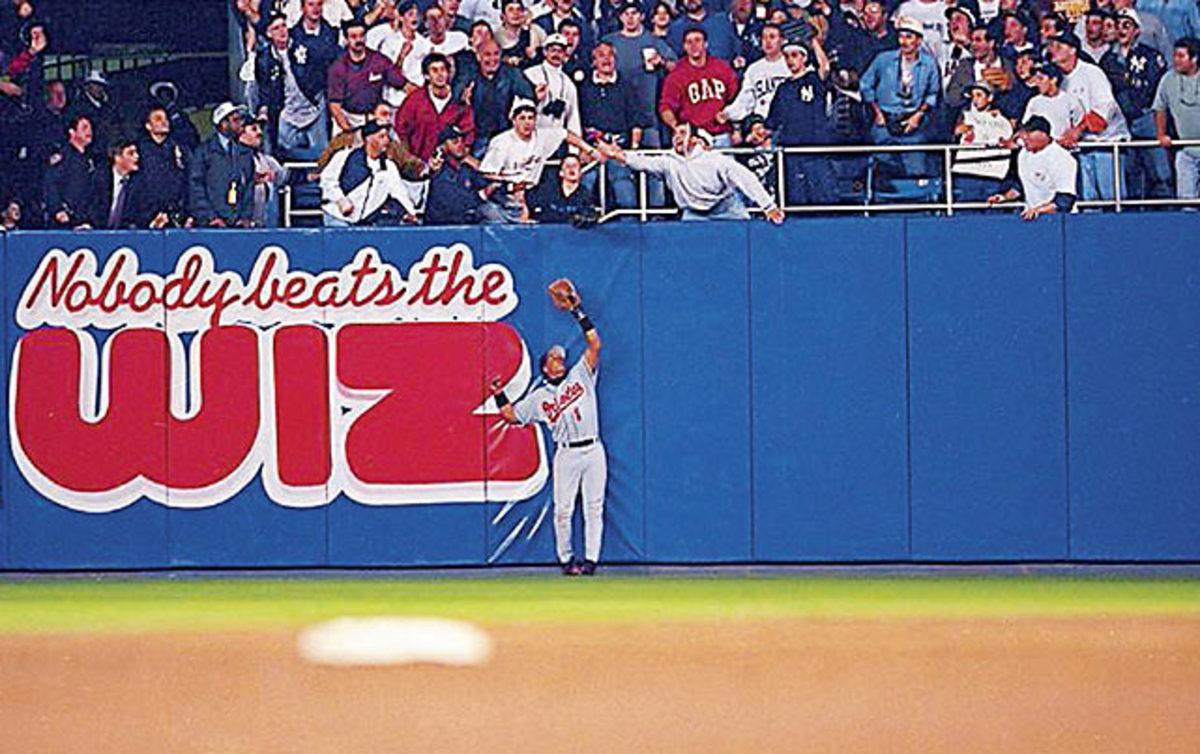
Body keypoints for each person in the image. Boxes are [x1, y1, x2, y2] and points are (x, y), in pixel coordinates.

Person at [492, 280, 606, 576]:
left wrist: (578, 312)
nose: (559, 359)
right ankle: (566, 560)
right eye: (554, 358)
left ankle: (591, 561)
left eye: (560, 356)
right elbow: (509, 415)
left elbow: (595, 344)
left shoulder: (580, 374)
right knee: (563, 510)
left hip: (593, 448)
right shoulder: (538, 398)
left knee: (594, 507)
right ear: (545, 367)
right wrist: (498, 393)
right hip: (566, 454)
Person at [599, 122, 786, 222]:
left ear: (695, 140)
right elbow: (642, 161)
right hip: (694, 214)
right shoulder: (668, 161)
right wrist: (617, 155)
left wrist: (768, 206)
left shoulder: (715, 160)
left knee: (746, 242)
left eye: (682, 133)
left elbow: (745, 177)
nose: (677, 138)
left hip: (726, 208)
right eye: (675, 134)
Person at [1047, 31, 1130, 201]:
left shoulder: (1092, 73)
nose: (1053, 50)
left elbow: (1105, 108)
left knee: (1112, 199)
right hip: (1080, 148)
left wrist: (1078, 130)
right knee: (1088, 200)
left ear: (1073, 50)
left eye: (1059, 46)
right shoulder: (1057, 79)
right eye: (1052, 46)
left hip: (1106, 144)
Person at [860, 16, 942, 178]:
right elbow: (865, 85)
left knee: (916, 171)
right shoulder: (883, 59)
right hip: (885, 121)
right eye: (901, 37)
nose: (904, 42)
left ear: (919, 40)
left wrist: (918, 115)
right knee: (882, 169)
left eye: (909, 37)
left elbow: (933, 93)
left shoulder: (929, 63)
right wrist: (877, 112)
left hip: (913, 123)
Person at [1101, 8, 1171, 198]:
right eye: (1118, 25)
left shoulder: (1150, 56)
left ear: (1137, 30)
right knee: (1130, 172)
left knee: (1158, 171)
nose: (1122, 30)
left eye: (1127, 25)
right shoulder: (1108, 60)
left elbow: (1158, 87)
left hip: (1146, 117)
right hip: (1121, 121)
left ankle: (1166, 207)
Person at [578, 40, 651, 210]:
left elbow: (636, 120)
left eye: (610, 55)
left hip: (619, 149)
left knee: (625, 193)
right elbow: (577, 120)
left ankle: (629, 224)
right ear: (594, 61)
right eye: (601, 55)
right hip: (591, 149)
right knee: (584, 185)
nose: (606, 59)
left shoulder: (627, 85)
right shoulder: (583, 88)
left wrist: (632, 150)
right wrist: (585, 148)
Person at [765, 38, 837, 206]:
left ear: (804, 58)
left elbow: (825, 68)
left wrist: (814, 41)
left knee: (823, 201)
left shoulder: (814, 80)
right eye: (787, 56)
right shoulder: (783, 88)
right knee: (795, 201)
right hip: (791, 153)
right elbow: (772, 122)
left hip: (816, 150)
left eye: (795, 55)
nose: (790, 60)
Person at [256, 12, 329, 159]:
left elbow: (322, 70)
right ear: (269, 34)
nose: (282, 31)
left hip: (313, 107)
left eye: (284, 26)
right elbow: (265, 88)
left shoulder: (305, 46)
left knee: (322, 155)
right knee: (285, 154)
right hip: (287, 113)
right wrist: (264, 109)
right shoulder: (264, 59)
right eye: (276, 28)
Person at [320, 120, 421, 225]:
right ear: (368, 139)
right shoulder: (344, 156)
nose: (386, 141)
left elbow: (399, 193)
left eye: (387, 137)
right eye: (381, 137)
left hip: (364, 222)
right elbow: (327, 181)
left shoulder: (388, 167)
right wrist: (340, 200)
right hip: (337, 218)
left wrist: (410, 213)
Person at [659, 27, 739, 145]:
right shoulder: (677, 74)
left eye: (697, 40)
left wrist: (737, 128)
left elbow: (736, 99)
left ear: (706, 44)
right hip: (694, 137)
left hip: (721, 134)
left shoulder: (722, 68)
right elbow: (666, 107)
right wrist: (676, 126)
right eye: (689, 42)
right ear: (684, 47)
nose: (693, 45)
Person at [327, 17, 409, 134]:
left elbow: (405, 85)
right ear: (346, 40)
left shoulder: (379, 60)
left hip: (375, 117)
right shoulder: (338, 67)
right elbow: (335, 106)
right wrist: (348, 131)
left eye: (361, 35)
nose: (358, 40)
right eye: (353, 37)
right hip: (348, 118)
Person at [988, 114, 1079, 219]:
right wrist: (1003, 198)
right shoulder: (1023, 154)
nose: (1024, 137)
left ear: (1043, 134)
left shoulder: (1062, 158)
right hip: (1031, 216)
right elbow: (1020, 186)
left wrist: (1039, 210)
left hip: (1060, 218)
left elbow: (1065, 200)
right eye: (1024, 132)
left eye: (1029, 133)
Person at [393, 52, 476, 162]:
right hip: (420, 161)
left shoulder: (459, 100)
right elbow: (401, 128)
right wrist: (410, 158)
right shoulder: (415, 100)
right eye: (434, 70)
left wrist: (463, 153)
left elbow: (468, 130)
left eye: (443, 69)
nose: (440, 74)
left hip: (450, 163)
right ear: (426, 76)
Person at [424, 124, 512, 223]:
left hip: (465, 222)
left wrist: (494, 182)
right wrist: (482, 195)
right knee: (489, 211)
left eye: (462, 141)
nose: (460, 145)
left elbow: (487, 184)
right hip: (441, 225)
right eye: (455, 142)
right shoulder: (439, 169)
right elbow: (457, 201)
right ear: (443, 146)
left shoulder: (466, 168)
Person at [188, 102, 256, 227]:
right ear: (223, 124)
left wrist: (245, 217)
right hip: (211, 225)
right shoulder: (204, 151)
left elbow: (249, 186)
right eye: (235, 120)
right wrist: (210, 217)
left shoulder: (245, 153)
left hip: (238, 223)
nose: (240, 123)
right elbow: (196, 187)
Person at [1153, 36, 1200, 198]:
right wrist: (1161, 134)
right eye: (1175, 55)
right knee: (1186, 200)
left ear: (1194, 59)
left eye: (1181, 56)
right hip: (1185, 150)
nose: (1176, 60)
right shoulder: (1168, 79)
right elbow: (1160, 108)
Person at [137, 105, 191, 226]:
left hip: (176, 217)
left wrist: (188, 213)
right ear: (148, 126)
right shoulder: (140, 151)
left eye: (166, 118)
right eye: (158, 119)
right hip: (146, 218)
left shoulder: (180, 150)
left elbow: (188, 181)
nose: (164, 122)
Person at [43, 114, 99, 228]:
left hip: (85, 220)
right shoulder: (63, 156)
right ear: (72, 132)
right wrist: (57, 209)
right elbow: (50, 184)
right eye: (84, 128)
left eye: (90, 128)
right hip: (64, 221)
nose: (89, 132)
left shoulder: (91, 158)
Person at [525, 33, 583, 135]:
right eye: (553, 50)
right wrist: (535, 98)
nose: (556, 55)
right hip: (532, 132)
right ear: (545, 52)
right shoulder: (531, 74)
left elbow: (573, 118)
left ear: (565, 54)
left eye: (560, 51)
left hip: (556, 135)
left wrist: (575, 143)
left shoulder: (568, 84)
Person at [529, 153, 600, 222]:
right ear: (561, 173)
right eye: (568, 166)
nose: (571, 169)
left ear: (580, 172)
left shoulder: (586, 195)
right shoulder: (546, 191)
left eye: (575, 166)